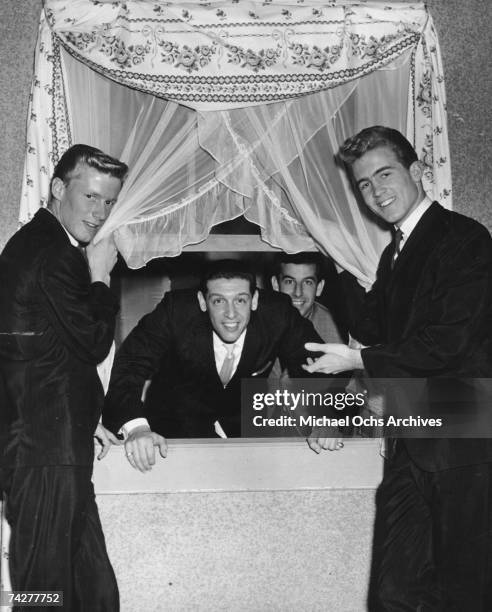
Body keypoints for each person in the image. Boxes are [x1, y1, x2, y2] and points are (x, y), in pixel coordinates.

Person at [303, 126, 492, 610]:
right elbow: (374, 322)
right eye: (363, 184)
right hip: (414, 436)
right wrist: (334, 256)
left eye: (384, 175)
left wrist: (358, 358)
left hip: (467, 439)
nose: (375, 192)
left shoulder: (464, 238)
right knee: (393, 592)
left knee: (464, 593)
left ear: (415, 171)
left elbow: (446, 343)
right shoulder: (395, 252)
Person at [0, 144, 127, 611]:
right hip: (46, 455)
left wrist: (77, 415)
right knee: (43, 593)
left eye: (109, 202)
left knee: (93, 592)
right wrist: (100, 280)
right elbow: (94, 342)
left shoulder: (33, 245)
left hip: (53, 446)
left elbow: (42, 352)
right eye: (91, 197)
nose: (99, 213)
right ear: (58, 188)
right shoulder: (55, 253)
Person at [103, 259, 327, 471]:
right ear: (202, 301)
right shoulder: (175, 311)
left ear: (255, 300)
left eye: (240, 300)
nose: (231, 314)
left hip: (242, 423)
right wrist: (137, 428)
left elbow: (318, 367)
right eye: (219, 301)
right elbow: (129, 365)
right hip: (175, 419)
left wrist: (323, 419)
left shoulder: (279, 313)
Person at [270, 252, 345, 378]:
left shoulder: (337, 329)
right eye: (289, 281)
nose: (298, 292)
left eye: (307, 282)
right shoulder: (259, 321)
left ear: (319, 287)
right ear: (276, 284)